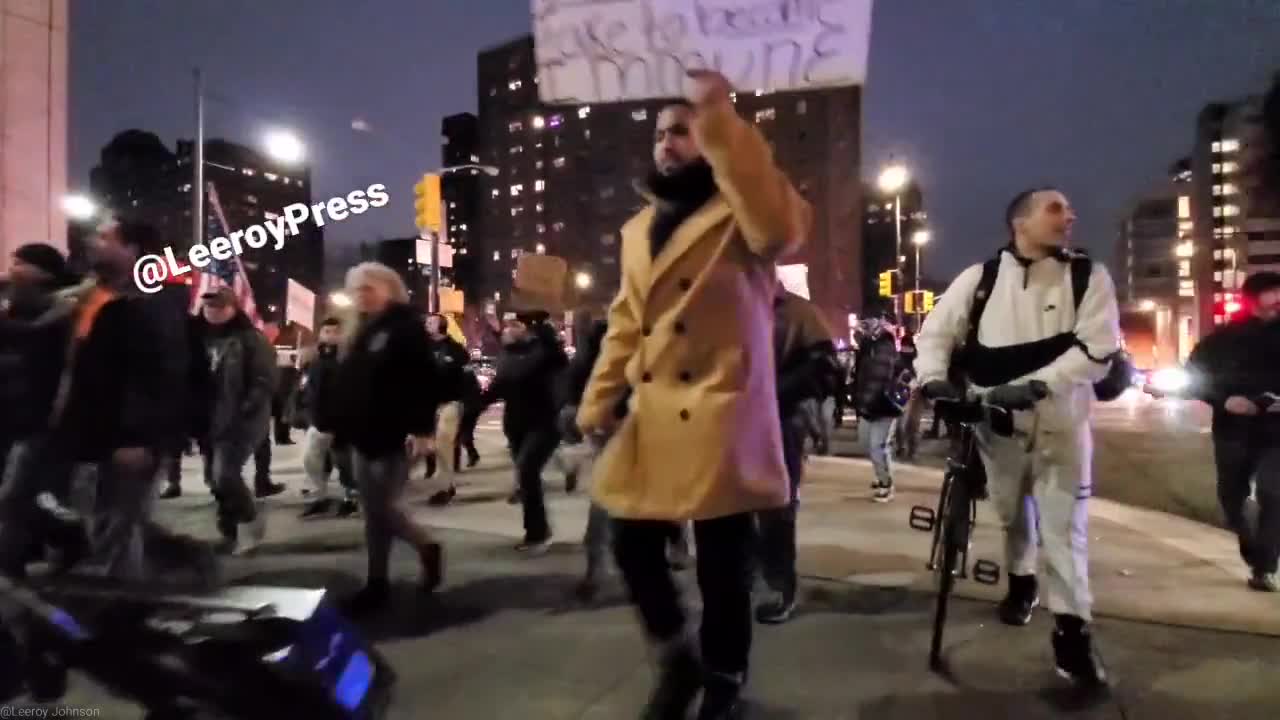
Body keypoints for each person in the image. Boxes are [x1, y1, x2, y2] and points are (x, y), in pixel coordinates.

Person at [573, 69, 811, 718]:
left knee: (722, 563)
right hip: (654, 416)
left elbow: (780, 229)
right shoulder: (637, 229)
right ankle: (677, 657)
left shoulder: (745, 211)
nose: (667, 144)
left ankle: (725, 674)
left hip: (722, 413)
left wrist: (721, 118)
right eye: (659, 134)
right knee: (629, 539)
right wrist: (597, 399)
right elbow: (627, 321)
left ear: (712, 138)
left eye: (683, 131)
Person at [915, 187, 1121, 688]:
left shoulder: (1087, 277)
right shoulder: (980, 280)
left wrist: (1035, 386)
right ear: (1020, 223)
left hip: (1060, 429)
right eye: (1055, 208)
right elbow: (935, 335)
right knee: (1011, 515)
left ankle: (1072, 637)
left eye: (1070, 208)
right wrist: (934, 381)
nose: (1069, 215)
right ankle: (1021, 579)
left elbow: (1098, 349)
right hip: (996, 429)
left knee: (1064, 532)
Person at [51, 219, 210, 582]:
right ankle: (172, 569)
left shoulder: (151, 302)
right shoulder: (96, 297)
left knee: (117, 527)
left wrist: (136, 437)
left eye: (106, 237)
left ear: (133, 250)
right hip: (96, 434)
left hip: (128, 439)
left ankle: (124, 609)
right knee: (109, 522)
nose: (94, 241)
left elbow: (158, 375)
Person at [332, 262, 442, 615]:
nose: (361, 294)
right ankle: (376, 582)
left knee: (382, 508)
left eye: (369, 287)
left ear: (389, 288)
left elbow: (424, 381)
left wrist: (423, 430)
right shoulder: (360, 330)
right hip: (360, 433)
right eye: (356, 289)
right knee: (372, 513)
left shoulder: (405, 328)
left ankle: (425, 546)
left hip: (394, 432)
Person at [1184, 272, 1280, 592]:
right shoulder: (1221, 340)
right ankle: (1253, 548)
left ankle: (1265, 566)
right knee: (1232, 498)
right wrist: (1224, 400)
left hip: (1276, 432)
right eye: (1272, 294)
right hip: (1232, 432)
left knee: (1273, 493)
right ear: (1253, 299)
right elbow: (1195, 378)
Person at [0, 244, 85, 578]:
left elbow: (36, 339)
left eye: (21, 263)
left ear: (43, 273)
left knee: (13, 496)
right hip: (7, 415)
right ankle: (68, 536)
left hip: (41, 419)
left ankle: (10, 568)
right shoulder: (10, 309)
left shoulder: (63, 311)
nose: (13, 268)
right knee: (24, 498)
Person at [756, 288, 836, 624]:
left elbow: (825, 369)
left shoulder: (798, 312)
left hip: (778, 422)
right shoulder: (722, 300)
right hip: (724, 424)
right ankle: (747, 581)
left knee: (776, 509)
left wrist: (773, 392)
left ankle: (779, 588)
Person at [477, 310, 568, 552]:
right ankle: (539, 529)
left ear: (528, 329)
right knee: (526, 477)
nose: (507, 329)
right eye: (506, 325)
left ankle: (537, 533)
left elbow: (557, 358)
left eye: (514, 325)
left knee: (527, 471)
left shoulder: (545, 353)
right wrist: (472, 410)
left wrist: (544, 331)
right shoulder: (508, 355)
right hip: (516, 425)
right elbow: (497, 388)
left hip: (544, 423)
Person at [196, 287, 275, 555]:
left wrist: (247, 407)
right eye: (208, 307)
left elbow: (263, 379)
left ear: (233, 308)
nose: (213, 313)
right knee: (213, 479)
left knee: (225, 475)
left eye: (219, 307)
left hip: (240, 420)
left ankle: (250, 521)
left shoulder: (251, 339)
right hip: (207, 419)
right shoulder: (195, 338)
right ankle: (229, 532)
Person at [298, 317, 359, 518]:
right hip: (318, 420)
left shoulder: (349, 359)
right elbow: (309, 389)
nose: (330, 335)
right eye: (326, 331)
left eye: (335, 331)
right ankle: (319, 497)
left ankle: (351, 499)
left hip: (342, 422)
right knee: (311, 460)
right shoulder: (315, 358)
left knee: (345, 463)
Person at [850, 311, 909, 502]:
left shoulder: (884, 346)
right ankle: (880, 474)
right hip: (870, 403)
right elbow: (861, 375)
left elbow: (877, 377)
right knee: (868, 443)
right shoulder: (870, 346)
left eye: (867, 323)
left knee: (878, 446)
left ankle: (886, 484)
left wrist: (866, 402)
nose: (863, 327)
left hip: (883, 404)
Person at [423, 312, 471, 507]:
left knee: (444, 441)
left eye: (431, 322)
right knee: (421, 446)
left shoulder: (455, 349)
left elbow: (464, 371)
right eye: (426, 322)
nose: (427, 325)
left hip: (450, 402)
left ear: (442, 325)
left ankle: (444, 487)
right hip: (426, 404)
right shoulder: (421, 348)